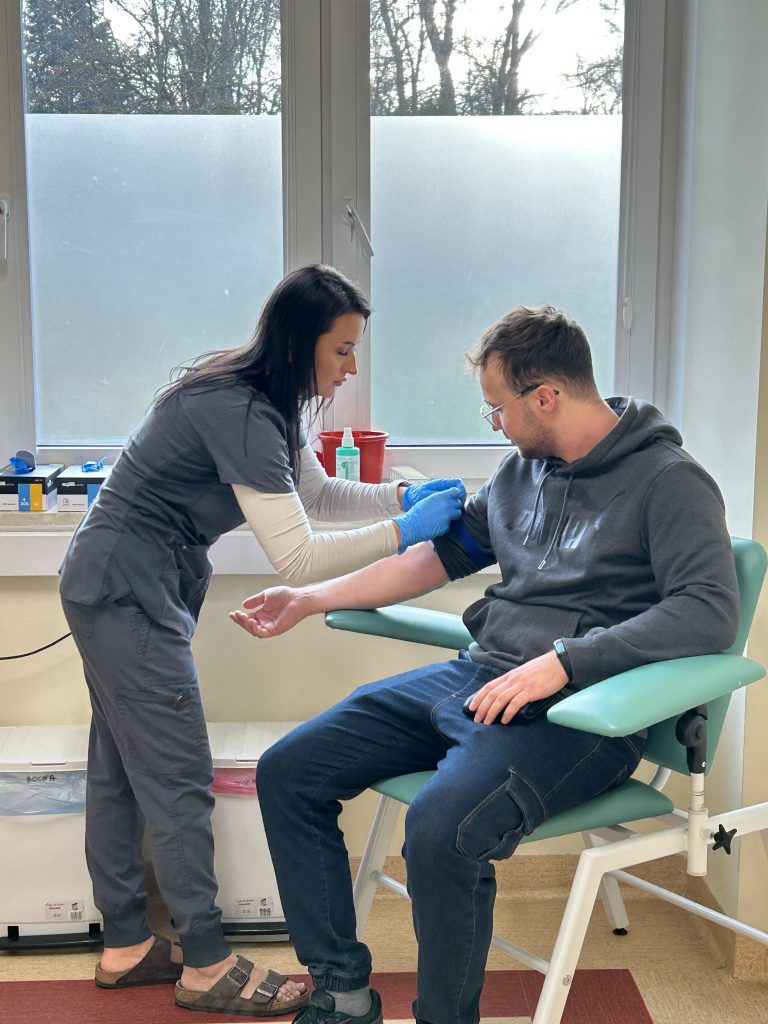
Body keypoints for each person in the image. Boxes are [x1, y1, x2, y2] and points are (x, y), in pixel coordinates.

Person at [230, 304, 740, 1024]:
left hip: (580, 715)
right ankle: (341, 993)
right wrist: (311, 597)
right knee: (290, 770)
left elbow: (708, 610)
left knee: (442, 830)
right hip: (480, 677)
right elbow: (437, 558)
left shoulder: (670, 482)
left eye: (497, 407)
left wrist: (565, 663)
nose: (493, 424)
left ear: (546, 396)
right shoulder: (522, 470)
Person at [58, 264, 465, 1015]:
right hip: (125, 592)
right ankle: (205, 963)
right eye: (342, 349)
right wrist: (405, 531)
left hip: (121, 582)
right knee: (177, 777)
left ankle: (126, 943)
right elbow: (298, 556)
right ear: (299, 341)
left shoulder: (270, 402)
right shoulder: (239, 409)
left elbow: (314, 493)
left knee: (120, 766)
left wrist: (402, 495)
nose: (351, 367)